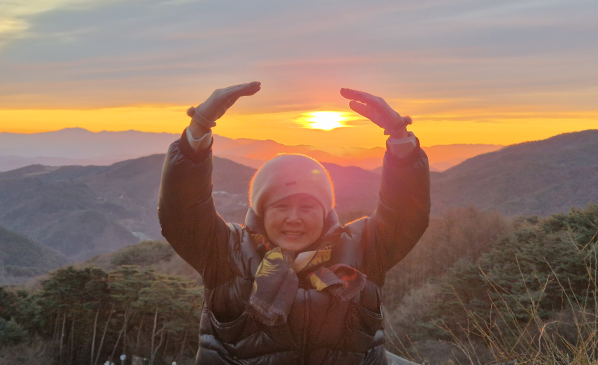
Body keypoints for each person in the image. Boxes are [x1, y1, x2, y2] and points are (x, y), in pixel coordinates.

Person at [158, 82, 430, 365]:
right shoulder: (228, 254)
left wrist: (399, 136)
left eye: (307, 206)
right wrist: (199, 129)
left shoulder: (361, 250)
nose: (294, 218)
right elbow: (183, 213)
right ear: (262, 212)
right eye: (281, 206)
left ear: (324, 212)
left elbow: (406, 213)